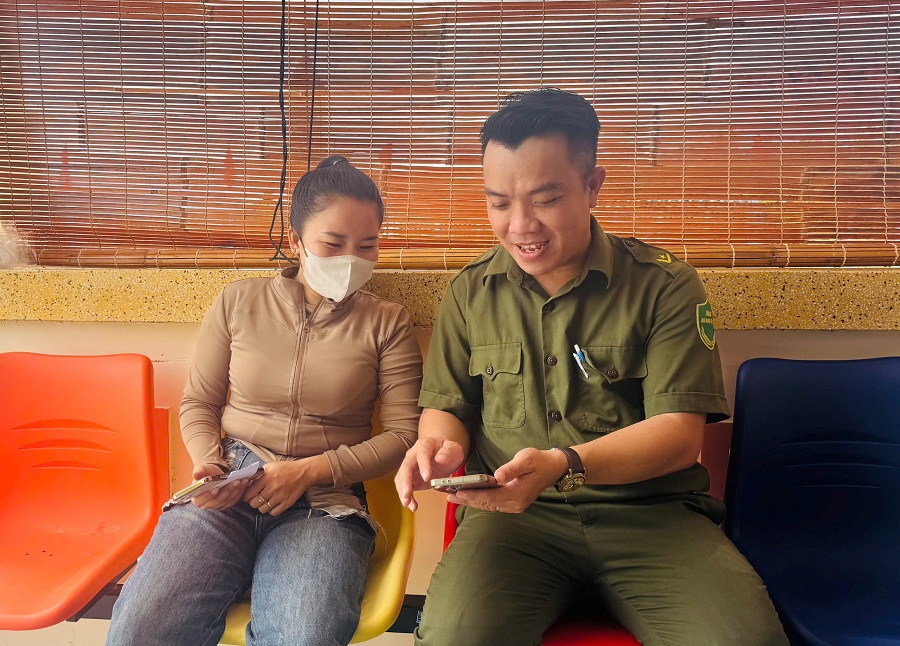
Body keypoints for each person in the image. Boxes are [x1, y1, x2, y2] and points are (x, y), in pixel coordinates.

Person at [395, 89, 788, 646]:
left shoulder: (664, 286)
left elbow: (680, 437)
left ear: (593, 185)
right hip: (515, 523)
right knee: (455, 638)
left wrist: (564, 464)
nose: (520, 226)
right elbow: (448, 406)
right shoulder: (470, 292)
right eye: (499, 203)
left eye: (546, 199)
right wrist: (439, 447)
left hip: (652, 517)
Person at [107, 155, 423, 646]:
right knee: (140, 630)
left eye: (367, 246)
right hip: (233, 483)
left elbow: (404, 438)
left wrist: (309, 471)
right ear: (296, 240)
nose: (351, 259)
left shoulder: (388, 322)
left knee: (303, 636)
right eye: (333, 243)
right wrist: (209, 464)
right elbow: (199, 403)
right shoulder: (238, 302)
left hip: (324, 500)